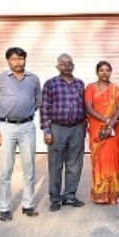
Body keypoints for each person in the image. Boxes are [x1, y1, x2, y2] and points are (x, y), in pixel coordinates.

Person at [0, 47, 41, 221]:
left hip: (27, 127)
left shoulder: (33, 79)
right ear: (8, 61)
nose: (17, 62)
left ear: (25, 60)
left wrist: (26, 111)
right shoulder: (0, 79)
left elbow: (38, 100)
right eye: (13, 59)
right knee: (5, 170)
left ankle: (28, 204)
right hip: (6, 128)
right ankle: (4, 207)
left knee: (29, 168)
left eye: (20, 58)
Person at [41, 54, 86, 212]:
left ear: (73, 66)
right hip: (57, 129)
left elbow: (85, 107)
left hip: (77, 128)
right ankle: (55, 198)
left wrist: (84, 128)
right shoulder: (50, 84)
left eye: (69, 63)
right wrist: (46, 130)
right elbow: (44, 108)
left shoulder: (80, 84)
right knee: (55, 165)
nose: (66, 66)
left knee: (75, 164)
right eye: (63, 63)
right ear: (57, 66)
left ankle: (70, 196)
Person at [84, 61, 119, 205]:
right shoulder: (90, 88)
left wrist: (111, 124)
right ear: (97, 72)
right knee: (99, 160)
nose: (104, 73)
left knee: (111, 160)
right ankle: (100, 193)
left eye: (107, 70)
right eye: (101, 70)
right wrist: (105, 120)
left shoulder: (116, 89)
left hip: (113, 129)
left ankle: (113, 193)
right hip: (97, 129)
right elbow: (89, 108)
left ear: (111, 72)